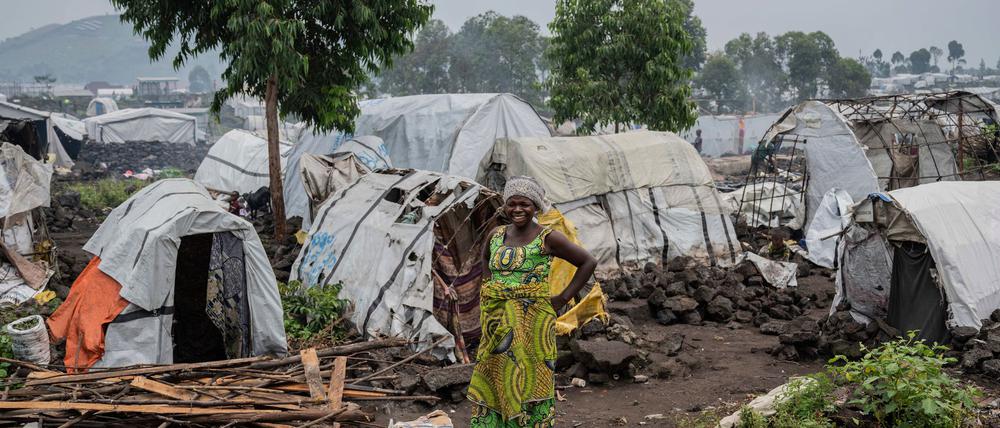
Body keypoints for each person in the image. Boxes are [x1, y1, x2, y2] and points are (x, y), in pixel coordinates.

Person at [468, 176, 597, 427]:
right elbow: (484, 259)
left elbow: (588, 262)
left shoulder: (548, 238)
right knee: (494, 372)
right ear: (505, 206)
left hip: (532, 322)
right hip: (496, 319)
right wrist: (490, 286)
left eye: (524, 204)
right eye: (512, 203)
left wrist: (562, 298)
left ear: (535, 206)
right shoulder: (496, 234)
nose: (517, 209)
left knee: (529, 375)